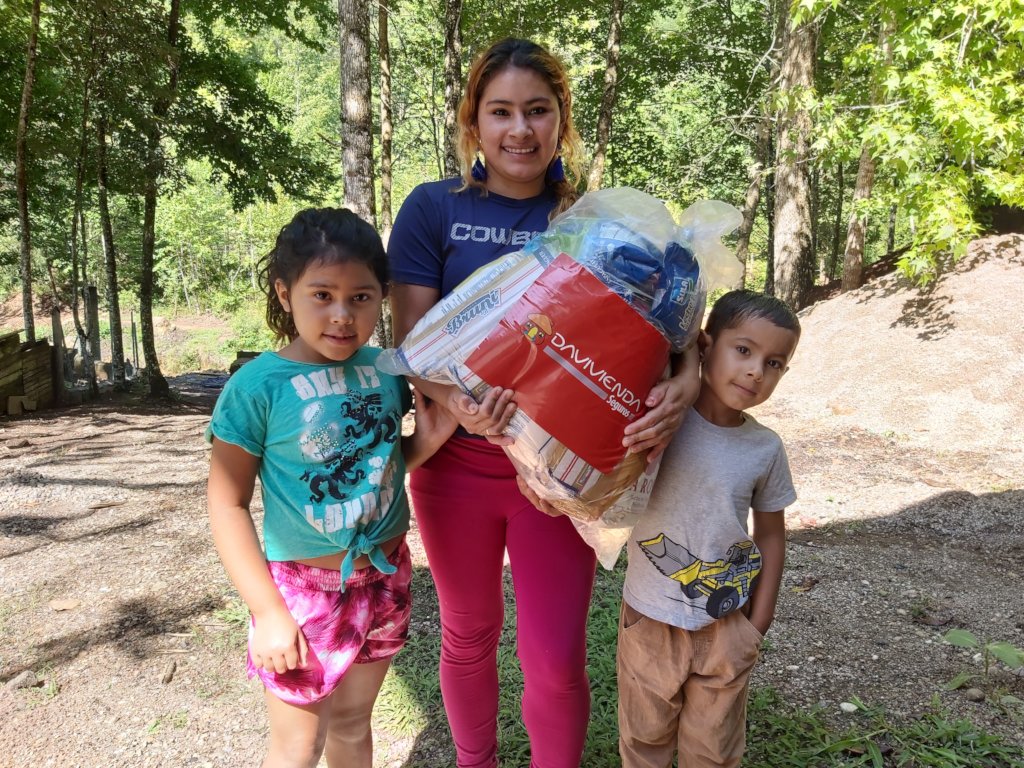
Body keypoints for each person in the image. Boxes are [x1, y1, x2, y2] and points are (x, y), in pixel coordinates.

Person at [387, 38, 700, 768]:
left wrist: (685, 384)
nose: (519, 130)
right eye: (500, 112)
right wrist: (459, 405)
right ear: (474, 123)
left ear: (562, 121)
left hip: (560, 485)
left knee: (554, 658)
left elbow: (673, 332)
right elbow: (413, 347)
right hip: (456, 468)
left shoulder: (598, 221)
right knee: (466, 633)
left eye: (537, 110)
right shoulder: (432, 210)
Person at [206, 207, 458, 768]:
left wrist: (428, 443)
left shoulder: (389, 370)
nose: (342, 315)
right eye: (322, 295)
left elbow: (378, 466)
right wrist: (268, 612)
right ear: (284, 291)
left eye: (361, 297)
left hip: (384, 577)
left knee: (352, 723)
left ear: (383, 297)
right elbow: (226, 504)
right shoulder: (257, 388)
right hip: (299, 596)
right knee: (298, 746)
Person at [617, 290, 802, 768]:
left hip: (727, 626)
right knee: (644, 743)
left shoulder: (764, 448)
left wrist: (757, 623)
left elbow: (770, 535)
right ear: (704, 346)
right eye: (743, 350)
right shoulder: (660, 419)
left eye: (775, 363)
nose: (756, 371)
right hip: (648, 620)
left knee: (713, 752)